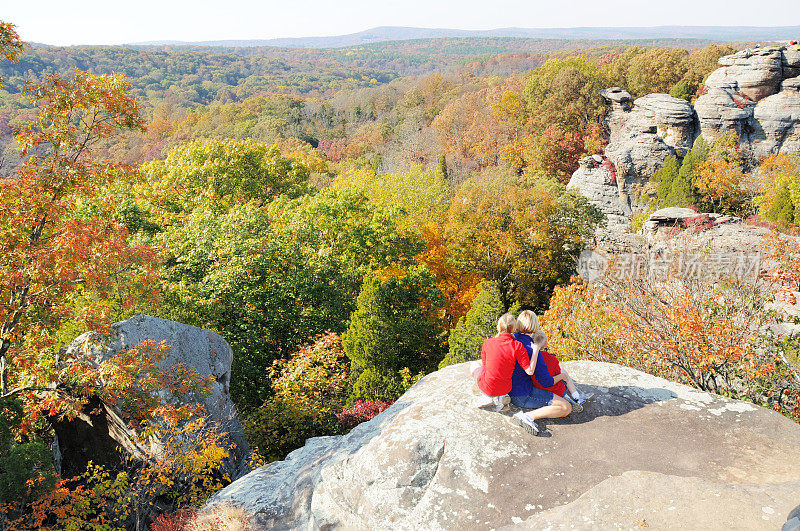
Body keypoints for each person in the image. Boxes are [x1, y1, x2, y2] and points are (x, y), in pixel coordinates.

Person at [508, 310, 573, 435]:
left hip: (507, 389)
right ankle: (527, 417)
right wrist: (562, 376)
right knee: (566, 407)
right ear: (534, 326)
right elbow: (546, 381)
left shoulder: (510, 340)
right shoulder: (533, 348)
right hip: (522, 395)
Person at [472, 313, 535, 412]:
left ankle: (486, 396)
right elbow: (530, 371)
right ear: (514, 330)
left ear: (498, 327)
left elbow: (485, 366)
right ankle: (502, 396)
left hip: (488, 387)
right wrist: (536, 350)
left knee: (474, 365)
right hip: (506, 388)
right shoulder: (517, 345)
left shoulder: (488, 342)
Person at [531, 331, 593, 407]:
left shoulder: (529, 356)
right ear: (546, 344)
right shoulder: (551, 358)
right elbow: (556, 374)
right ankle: (576, 397)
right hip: (551, 388)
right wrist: (562, 376)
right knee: (563, 374)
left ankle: (569, 399)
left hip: (536, 388)